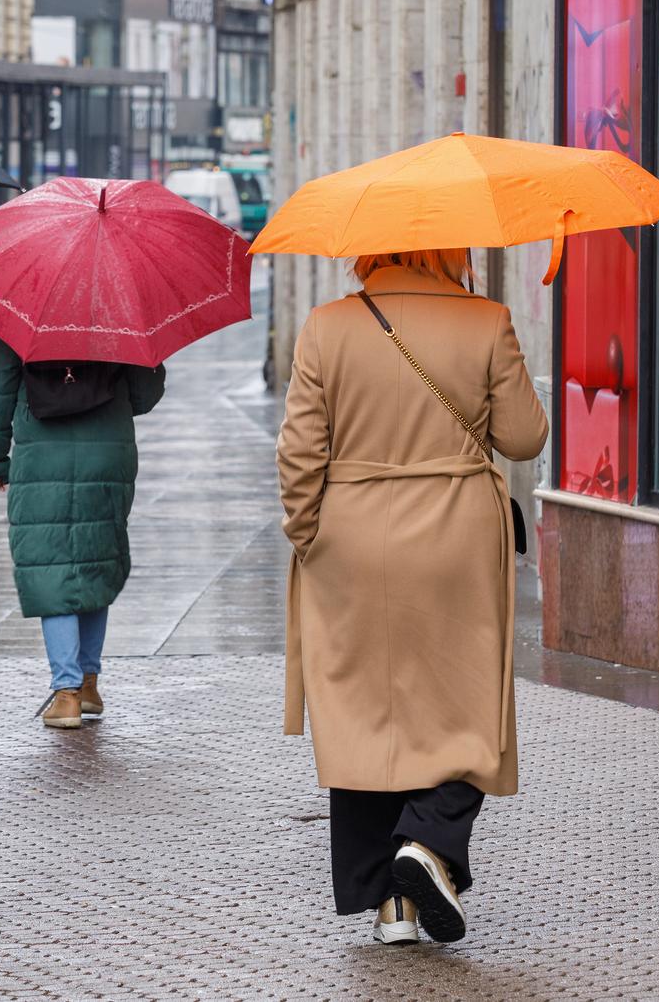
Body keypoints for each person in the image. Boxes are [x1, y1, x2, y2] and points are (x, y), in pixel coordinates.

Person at [277, 248, 548, 946]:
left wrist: (310, 535)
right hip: (456, 537)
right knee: (466, 709)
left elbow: (301, 453)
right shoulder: (487, 321)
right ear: (451, 251)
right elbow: (522, 437)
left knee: (365, 711)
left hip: (351, 537)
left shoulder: (326, 326)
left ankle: (389, 901)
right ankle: (427, 841)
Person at [0, 343, 166, 729]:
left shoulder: (22, 321)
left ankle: (67, 693)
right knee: (95, 560)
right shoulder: (121, 320)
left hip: (42, 457)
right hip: (107, 455)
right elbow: (144, 397)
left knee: (51, 566)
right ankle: (89, 685)